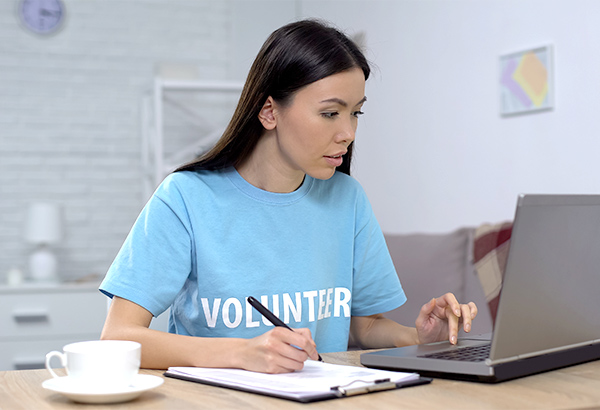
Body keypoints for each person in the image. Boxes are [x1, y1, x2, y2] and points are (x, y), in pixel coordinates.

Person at [100, 19, 477, 374]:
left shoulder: (348, 199)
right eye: (330, 113)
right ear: (269, 112)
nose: (348, 133)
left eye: (356, 113)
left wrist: (420, 339)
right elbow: (118, 337)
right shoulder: (185, 198)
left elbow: (365, 326)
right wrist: (241, 353)